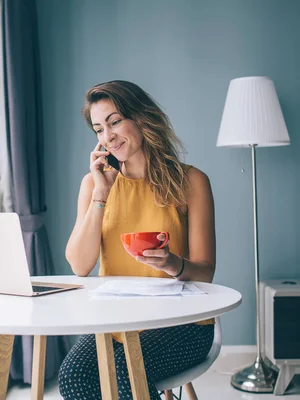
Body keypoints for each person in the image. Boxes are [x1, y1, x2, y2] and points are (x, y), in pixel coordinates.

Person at [59, 80, 217, 400]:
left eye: (115, 121)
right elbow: (79, 264)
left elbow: (206, 272)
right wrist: (101, 196)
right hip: (116, 320)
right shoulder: (94, 184)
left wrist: (173, 263)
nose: (109, 136)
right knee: (74, 378)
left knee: (124, 372)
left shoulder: (191, 181)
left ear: (142, 118)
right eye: (99, 129)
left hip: (181, 323)